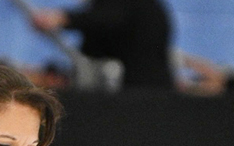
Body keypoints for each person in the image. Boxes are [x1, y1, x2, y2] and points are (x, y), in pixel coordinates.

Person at [31, 0, 174, 89]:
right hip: (145, 87)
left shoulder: (126, 7)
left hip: (140, 90)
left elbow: (107, 19)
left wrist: (63, 19)